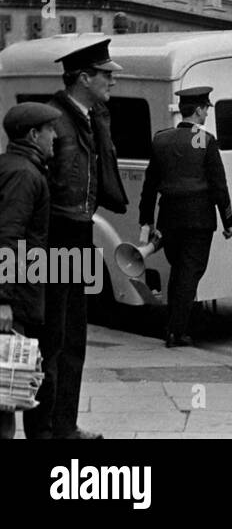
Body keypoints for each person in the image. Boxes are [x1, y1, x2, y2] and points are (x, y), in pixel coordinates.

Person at [27, 39, 127, 441]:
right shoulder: (54, 120)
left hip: (80, 230)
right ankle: (44, 428)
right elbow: (40, 187)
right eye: (106, 75)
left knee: (74, 336)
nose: (112, 82)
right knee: (51, 338)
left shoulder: (88, 116)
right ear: (83, 78)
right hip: (56, 234)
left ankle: (64, 425)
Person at [138, 87, 232, 348]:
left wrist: (146, 218)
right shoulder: (205, 140)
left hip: (168, 218)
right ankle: (176, 331)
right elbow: (219, 186)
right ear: (200, 110)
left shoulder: (161, 139)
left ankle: (175, 325)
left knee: (179, 270)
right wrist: (228, 222)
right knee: (191, 272)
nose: (206, 114)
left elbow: (150, 185)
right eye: (206, 109)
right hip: (198, 219)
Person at [0, 103, 62, 440]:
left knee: (7, 396)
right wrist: (3, 299)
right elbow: (8, 236)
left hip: (19, 296)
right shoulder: (24, 174)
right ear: (34, 135)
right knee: (5, 399)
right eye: (50, 130)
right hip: (14, 302)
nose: (55, 137)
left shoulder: (14, 167)